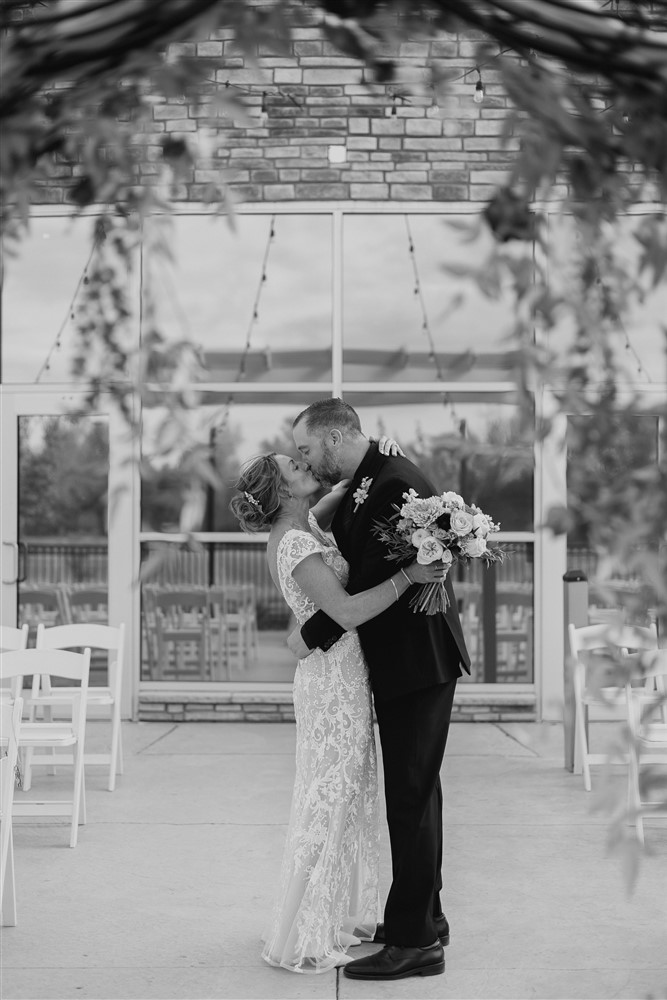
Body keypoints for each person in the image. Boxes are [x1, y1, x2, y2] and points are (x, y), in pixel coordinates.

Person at [229, 441, 447, 974]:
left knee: (346, 796)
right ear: (280, 490)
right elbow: (346, 610)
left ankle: (334, 913)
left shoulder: (306, 524)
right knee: (327, 799)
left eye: (302, 455)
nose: (305, 464)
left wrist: (380, 452)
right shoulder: (293, 544)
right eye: (294, 465)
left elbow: (343, 494)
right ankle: (304, 928)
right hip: (331, 688)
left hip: (346, 678)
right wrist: (408, 576)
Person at [288, 398, 471, 982]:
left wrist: (310, 632)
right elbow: (351, 544)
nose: (306, 458)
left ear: (338, 437)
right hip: (403, 663)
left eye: (308, 448)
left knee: (411, 801)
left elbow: (364, 580)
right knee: (420, 796)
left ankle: (417, 944)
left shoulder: (392, 483)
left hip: (417, 662)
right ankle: (425, 915)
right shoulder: (373, 475)